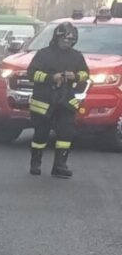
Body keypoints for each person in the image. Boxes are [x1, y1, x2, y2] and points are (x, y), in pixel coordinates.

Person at [27, 21, 89, 178]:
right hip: (44, 101)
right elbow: (31, 74)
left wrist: (75, 76)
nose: (67, 42)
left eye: (70, 40)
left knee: (66, 133)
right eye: (64, 39)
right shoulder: (43, 54)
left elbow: (85, 74)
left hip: (66, 101)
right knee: (41, 134)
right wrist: (51, 78)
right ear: (57, 38)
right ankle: (35, 163)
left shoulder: (77, 56)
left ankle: (60, 166)